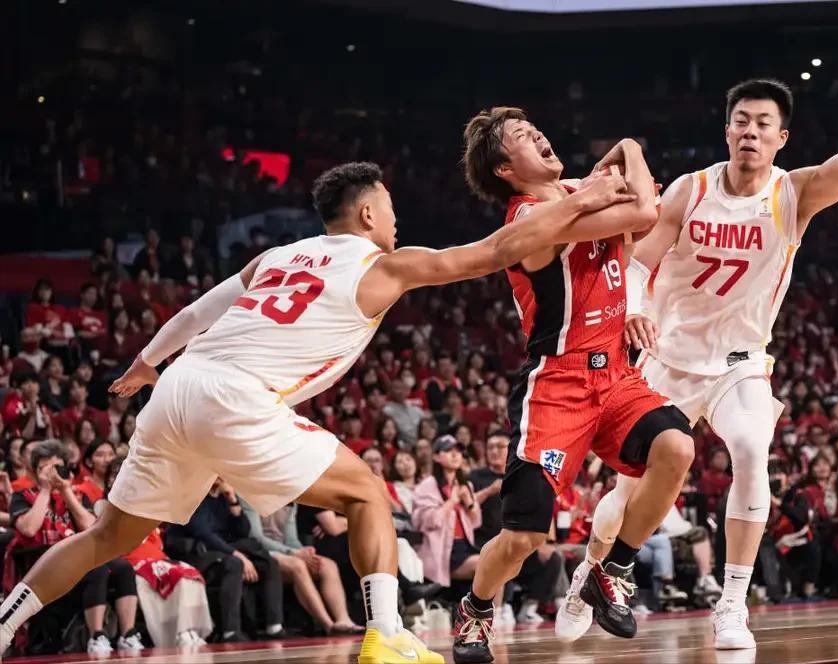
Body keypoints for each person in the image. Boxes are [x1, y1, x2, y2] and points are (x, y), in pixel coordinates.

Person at [0, 160, 635, 664]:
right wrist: (581, 199)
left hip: (177, 385)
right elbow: (495, 251)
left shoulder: (275, 257)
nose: (397, 218)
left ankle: (5, 623)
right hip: (238, 396)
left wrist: (146, 362)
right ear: (368, 212)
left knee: (106, 536)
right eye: (390, 207)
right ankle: (386, 636)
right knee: (366, 494)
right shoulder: (386, 265)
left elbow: (196, 313)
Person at [559, 23, 838, 651]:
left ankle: (732, 604)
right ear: (727, 131)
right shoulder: (690, 189)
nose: (750, 132)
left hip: (740, 363)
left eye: (763, 124)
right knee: (626, 492)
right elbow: (639, 263)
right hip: (667, 358)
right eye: (741, 122)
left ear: (782, 138)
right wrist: (635, 308)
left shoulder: (794, 193)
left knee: (753, 447)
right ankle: (590, 573)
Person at [456, 108, 696, 663]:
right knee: (523, 537)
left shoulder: (575, 192)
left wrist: (629, 305)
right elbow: (645, 208)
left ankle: (614, 569)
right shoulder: (531, 217)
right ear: (504, 169)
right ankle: (476, 608)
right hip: (557, 383)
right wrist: (629, 144)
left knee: (677, 446)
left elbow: (637, 232)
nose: (537, 134)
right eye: (521, 136)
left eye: (533, 127)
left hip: (614, 373)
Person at [3, 441, 143, 655]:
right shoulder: (23, 496)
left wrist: (66, 490)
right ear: (35, 471)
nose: (52, 473)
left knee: (123, 567)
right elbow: (29, 529)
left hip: (76, 562)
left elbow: (92, 528)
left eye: (57, 467)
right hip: (41, 566)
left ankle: (128, 634)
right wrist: (45, 490)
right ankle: (96, 635)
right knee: (96, 570)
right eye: (45, 468)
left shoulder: (77, 495)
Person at [99, 459, 213, 648]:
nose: (117, 478)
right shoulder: (104, 506)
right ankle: (178, 633)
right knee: (174, 575)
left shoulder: (145, 506)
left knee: (188, 573)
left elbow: (156, 542)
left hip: (155, 558)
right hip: (131, 559)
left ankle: (188, 629)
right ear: (109, 480)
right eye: (114, 474)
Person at [166, 479, 285, 642]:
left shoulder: (223, 498)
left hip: (222, 551)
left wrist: (232, 500)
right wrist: (236, 554)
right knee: (235, 564)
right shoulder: (193, 496)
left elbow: (243, 531)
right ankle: (230, 631)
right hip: (196, 553)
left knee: (268, 563)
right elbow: (203, 534)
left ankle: (274, 626)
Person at [241, 499, 362, 635]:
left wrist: (305, 552)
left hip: (287, 552)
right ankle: (328, 625)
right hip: (261, 553)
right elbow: (257, 538)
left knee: (327, 565)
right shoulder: (251, 498)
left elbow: (290, 539)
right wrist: (294, 553)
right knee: (298, 566)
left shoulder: (289, 501)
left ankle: (343, 620)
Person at [411, 436, 482, 588]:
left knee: (502, 563)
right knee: (488, 566)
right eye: (449, 450)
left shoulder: (465, 484)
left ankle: (499, 605)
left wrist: (469, 503)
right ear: (436, 457)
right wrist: (452, 501)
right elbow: (427, 522)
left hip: (466, 545)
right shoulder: (427, 486)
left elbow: (476, 522)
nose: (455, 455)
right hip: (443, 550)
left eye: (459, 451)